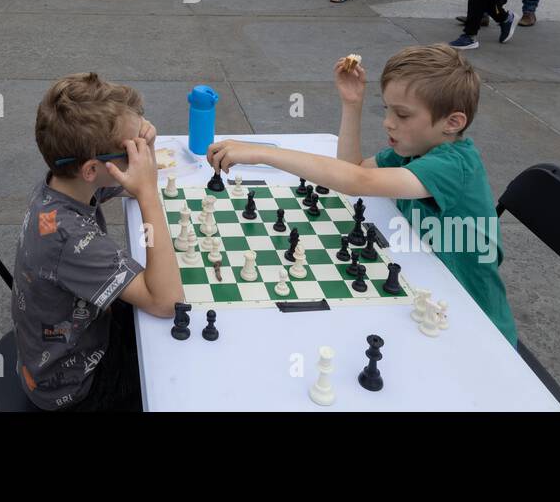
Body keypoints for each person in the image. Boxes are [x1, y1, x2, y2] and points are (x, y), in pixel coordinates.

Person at [207, 45, 516, 346]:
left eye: (403, 115)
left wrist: (262, 153)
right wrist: (352, 103)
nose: (388, 122)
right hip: (424, 288)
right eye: (386, 109)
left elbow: (358, 180)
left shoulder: (453, 165)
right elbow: (352, 167)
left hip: (472, 322)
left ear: (452, 123)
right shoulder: (417, 151)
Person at [13, 73, 183, 411]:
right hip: (77, 385)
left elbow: (122, 181)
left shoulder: (63, 182)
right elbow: (167, 302)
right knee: (182, 372)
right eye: (129, 149)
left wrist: (142, 145)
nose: (137, 154)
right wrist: (148, 192)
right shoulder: (68, 237)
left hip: (81, 328)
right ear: (91, 169)